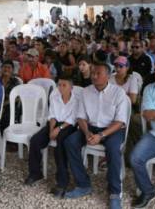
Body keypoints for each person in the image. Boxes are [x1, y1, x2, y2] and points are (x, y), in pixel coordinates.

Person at [64, 62, 128, 209]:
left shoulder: (118, 93)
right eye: (93, 73)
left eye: (98, 73)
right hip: (90, 127)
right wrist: (87, 133)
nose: (93, 76)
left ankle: (114, 192)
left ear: (107, 76)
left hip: (112, 129)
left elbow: (120, 122)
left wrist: (101, 135)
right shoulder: (86, 92)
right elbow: (80, 117)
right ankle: (83, 184)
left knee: (113, 150)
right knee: (70, 142)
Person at [24, 75, 78, 198]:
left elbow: (72, 119)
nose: (61, 88)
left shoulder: (76, 100)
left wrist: (58, 129)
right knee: (35, 140)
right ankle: (35, 173)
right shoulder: (54, 96)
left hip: (68, 125)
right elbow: (52, 114)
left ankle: (62, 182)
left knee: (60, 145)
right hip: (54, 123)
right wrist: (51, 130)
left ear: (71, 87)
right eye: (59, 85)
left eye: (64, 85)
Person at [130, 59, 155, 208]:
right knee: (135, 158)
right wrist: (153, 114)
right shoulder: (150, 88)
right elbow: (148, 115)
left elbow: (153, 113)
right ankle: (148, 190)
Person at [0, 60, 22, 133]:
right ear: (1, 68)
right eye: (4, 67)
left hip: (11, 106)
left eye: (9, 67)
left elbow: (18, 98)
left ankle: (4, 137)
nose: (6, 69)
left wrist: (3, 104)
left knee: (6, 115)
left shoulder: (15, 81)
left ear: (12, 70)